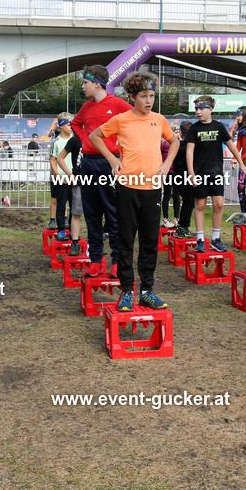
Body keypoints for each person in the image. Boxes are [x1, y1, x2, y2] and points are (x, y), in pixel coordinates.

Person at [90, 71, 178, 311]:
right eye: (143, 96)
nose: (149, 101)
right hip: (127, 188)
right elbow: (95, 135)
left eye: (152, 96)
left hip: (152, 189)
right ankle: (127, 290)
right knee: (126, 240)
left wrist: (167, 163)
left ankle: (147, 290)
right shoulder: (121, 119)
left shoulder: (159, 119)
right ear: (132, 97)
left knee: (150, 241)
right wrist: (111, 158)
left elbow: (174, 141)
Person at [71, 64, 132, 278]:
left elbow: (134, 121)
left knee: (113, 214)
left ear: (97, 84)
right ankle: (96, 260)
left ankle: (116, 262)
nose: (83, 86)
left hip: (110, 164)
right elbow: (75, 124)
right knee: (91, 214)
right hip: (88, 164)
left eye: (85, 82)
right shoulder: (86, 107)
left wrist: (121, 147)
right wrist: (86, 140)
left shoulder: (117, 104)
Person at [186, 96, 246, 253]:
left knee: (219, 204)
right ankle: (200, 239)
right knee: (200, 205)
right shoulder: (194, 129)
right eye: (196, 109)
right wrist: (191, 172)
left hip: (216, 173)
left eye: (201, 109)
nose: (198, 112)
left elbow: (231, 145)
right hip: (199, 173)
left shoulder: (219, 127)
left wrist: (240, 162)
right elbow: (189, 151)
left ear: (210, 109)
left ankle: (215, 238)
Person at [55, 123, 85, 258]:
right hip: (78, 181)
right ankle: (75, 243)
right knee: (76, 212)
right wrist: (70, 174)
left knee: (94, 214)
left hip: (95, 180)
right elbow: (59, 158)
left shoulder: (97, 137)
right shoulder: (75, 140)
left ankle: (96, 243)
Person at [49, 113, 74, 242]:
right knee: (61, 205)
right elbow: (53, 160)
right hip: (61, 179)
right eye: (69, 124)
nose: (72, 127)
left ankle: (72, 231)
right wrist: (57, 176)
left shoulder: (75, 139)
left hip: (74, 179)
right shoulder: (56, 142)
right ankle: (61, 231)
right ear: (62, 126)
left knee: (74, 206)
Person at [173, 121, 196, 238]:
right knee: (189, 201)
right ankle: (183, 227)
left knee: (187, 201)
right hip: (187, 177)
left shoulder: (176, 146)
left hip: (177, 177)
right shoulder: (191, 147)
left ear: (181, 133)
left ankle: (182, 226)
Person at [161, 126, 183, 228]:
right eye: (175, 132)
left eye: (178, 132)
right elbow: (159, 154)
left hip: (177, 172)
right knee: (167, 194)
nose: (176, 134)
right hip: (168, 172)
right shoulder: (165, 143)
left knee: (176, 195)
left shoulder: (181, 143)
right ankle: (165, 219)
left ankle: (176, 219)